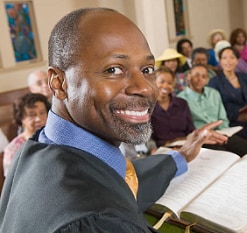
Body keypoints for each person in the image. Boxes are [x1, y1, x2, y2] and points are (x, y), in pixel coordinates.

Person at [0, 8, 228, 233]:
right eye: (113, 69)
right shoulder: (93, 221)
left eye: (147, 69)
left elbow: (114, 182)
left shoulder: (38, 148)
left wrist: (181, 155)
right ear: (59, 83)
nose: (145, 88)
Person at [178, 64, 247, 157]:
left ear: (207, 79)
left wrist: (222, 133)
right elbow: (186, 128)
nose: (200, 79)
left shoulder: (214, 93)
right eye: (196, 75)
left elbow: (223, 118)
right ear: (189, 76)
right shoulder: (181, 99)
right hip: (201, 139)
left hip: (221, 133)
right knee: (224, 156)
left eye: (203, 76)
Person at [3, 93, 50, 176]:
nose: (38, 119)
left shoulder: (55, 138)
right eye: (32, 115)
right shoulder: (13, 149)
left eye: (42, 113)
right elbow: (12, 181)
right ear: (21, 118)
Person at [151, 66, 195, 147]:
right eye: (161, 82)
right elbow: (147, 138)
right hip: (160, 149)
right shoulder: (146, 107)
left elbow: (191, 130)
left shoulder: (182, 104)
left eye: (170, 83)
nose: (165, 86)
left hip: (184, 146)